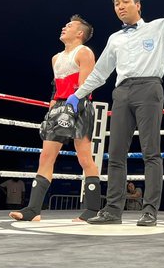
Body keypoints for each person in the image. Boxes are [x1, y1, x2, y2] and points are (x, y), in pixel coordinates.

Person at [66, 0, 164, 227]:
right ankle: (113, 210)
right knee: (115, 154)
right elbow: (100, 73)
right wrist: (77, 95)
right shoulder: (114, 39)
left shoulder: (157, 27)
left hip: (149, 88)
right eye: (116, 3)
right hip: (122, 92)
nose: (120, 6)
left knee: (151, 152)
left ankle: (149, 211)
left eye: (125, 1)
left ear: (138, 5)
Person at [10, 14, 102, 222]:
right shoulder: (56, 58)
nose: (64, 27)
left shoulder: (84, 52)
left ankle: (93, 209)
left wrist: (72, 107)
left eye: (69, 25)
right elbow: (56, 88)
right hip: (59, 106)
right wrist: (51, 111)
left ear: (80, 33)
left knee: (84, 158)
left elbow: (86, 86)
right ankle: (33, 210)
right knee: (45, 157)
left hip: (80, 105)